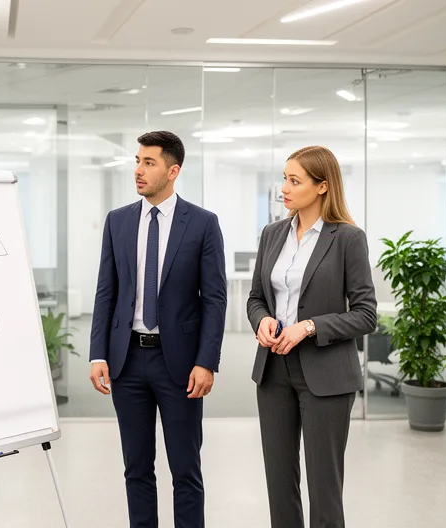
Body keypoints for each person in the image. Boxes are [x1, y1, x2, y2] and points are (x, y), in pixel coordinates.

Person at [88, 131, 227, 528]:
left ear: (173, 170)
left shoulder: (202, 224)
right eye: (137, 161)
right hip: (127, 361)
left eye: (149, 162)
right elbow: (105, 292)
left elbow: (215, 299)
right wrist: (99, 353)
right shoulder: (118, 221)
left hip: (180, 366)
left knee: (185, 469)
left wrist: (206, 362)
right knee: (136, 468)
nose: (138, 170)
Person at [247, 145, 377, 528]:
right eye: (284, 178)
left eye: (294, 180)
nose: (283, 188)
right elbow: (256, 297)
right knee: (279, 481)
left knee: (324, 486)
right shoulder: (272, 234)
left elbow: (366, 314)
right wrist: (263, 321)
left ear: (322, 186)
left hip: (326, 375)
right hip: (273, 371)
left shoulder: (348, 238)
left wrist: (311, 326)